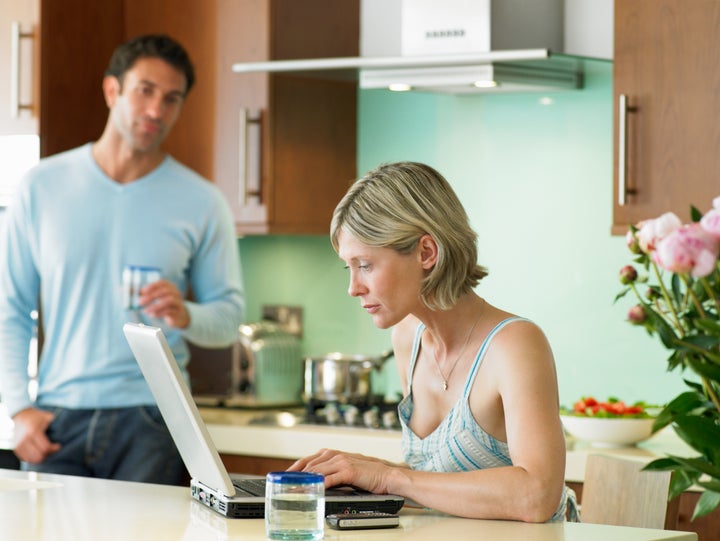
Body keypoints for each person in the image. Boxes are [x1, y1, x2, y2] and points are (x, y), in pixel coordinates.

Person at [0, 34, 244, 484]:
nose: (156, 111)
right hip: (56, 418)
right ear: (112, 90)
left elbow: (229, 318)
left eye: (171, 99)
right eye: (144, 91)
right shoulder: (40, 187)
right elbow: (9, 308)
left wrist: (185, 313)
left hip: (154, 420)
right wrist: (18, 408)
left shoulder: (202, 201)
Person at [289, 162, 577, 522]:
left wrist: (390, 477)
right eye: (349, 268)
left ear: (427, 253)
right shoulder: (408, 339)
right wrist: (364, 474)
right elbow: (437, 485)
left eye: (365, 265)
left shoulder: (514, 344)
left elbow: (537, 496)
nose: (353, 288)